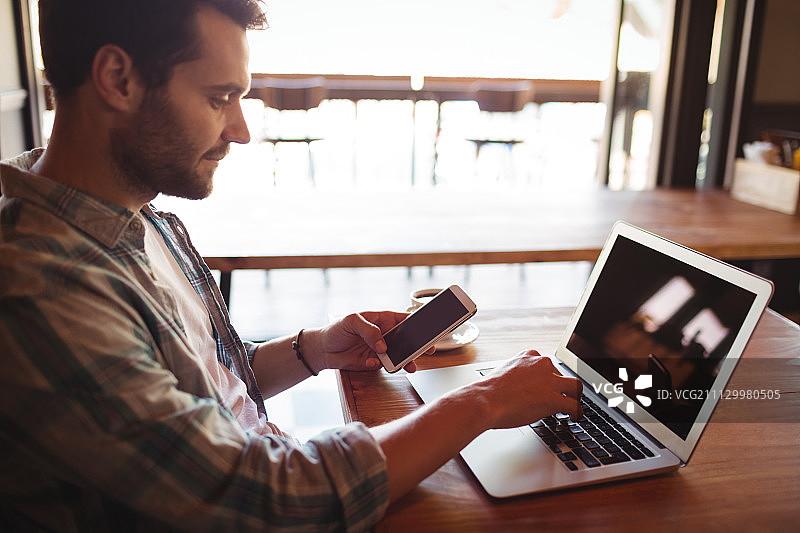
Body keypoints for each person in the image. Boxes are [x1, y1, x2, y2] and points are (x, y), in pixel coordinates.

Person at [0, 1, 583, 530]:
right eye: (218, 98)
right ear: (117, 80)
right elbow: (263, 500)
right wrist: (483, 402)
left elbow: (206, 383)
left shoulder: (137, 217)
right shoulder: (41, 288)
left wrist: (313, 350)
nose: (242, 130)